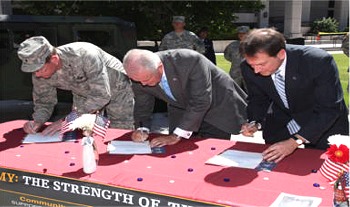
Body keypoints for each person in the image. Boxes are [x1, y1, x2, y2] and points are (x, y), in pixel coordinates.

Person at [239, 28, 349, 163]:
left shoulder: (317, 61)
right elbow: (258, 98)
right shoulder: (248, 67)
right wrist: (255, 122)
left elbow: (329, 109)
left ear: (281, 54)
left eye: (261, 64)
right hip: (285, 118)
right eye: (252, 65)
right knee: (274, 161)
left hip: (324, 121)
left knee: (323, 168)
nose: (256, 71)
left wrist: (294, 142)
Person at [123, 49, 247, 147]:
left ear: (160, 67)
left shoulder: (190, 60)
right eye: (138, 81)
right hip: (182, 108)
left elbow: (200, 102)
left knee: (209, 152)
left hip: (216, 107)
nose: (143, 84)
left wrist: (177, 135)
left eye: (147, 79)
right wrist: (142, 128)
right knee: (176, 151)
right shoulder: (140, 77)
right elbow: (143, 105)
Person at [17, 36, 134, 135]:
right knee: (83, 132)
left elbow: (101, 95)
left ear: (54, 59)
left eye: (41, 69)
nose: (37, 74)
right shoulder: (39, 71)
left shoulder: (85, 55)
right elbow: (44, 101)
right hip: (82, 91)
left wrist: (68, 119)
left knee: (119, 130)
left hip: (116, 87)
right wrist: (38, 121)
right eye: (34, 71)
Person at [224, 26, 250, 91]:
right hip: (235, 72)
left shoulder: (253, 45)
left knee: (250, 91)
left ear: (248, 34)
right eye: (239, 33)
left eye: (243, 33)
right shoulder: (232, 45)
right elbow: (227, 56)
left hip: (249, 72)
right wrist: (236, 61)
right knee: (234, 91)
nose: (241, 35)